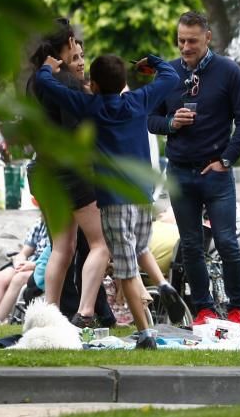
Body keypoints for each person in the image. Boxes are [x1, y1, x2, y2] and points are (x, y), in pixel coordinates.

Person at [35, 51, 178, 348]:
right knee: (138, 251)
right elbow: (171, 76)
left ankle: (145, 333)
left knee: (125, 269)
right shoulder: (139, 101)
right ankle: (160, 288)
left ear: (94, 85)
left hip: (114, 202)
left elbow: (49, 87)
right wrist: (152, 61)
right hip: (142, 199)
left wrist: (47, 69)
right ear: (125, 81)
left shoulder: (90, 106)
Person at [148, 11, 240, 326]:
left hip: (216, 174)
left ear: (208, 37)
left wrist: (225, 160)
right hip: (180, 173)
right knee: (191, 245)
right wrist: (171, 123)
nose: (185, 47)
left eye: (192, 41)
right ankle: (203, 308)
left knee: (225, 241)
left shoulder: (229, 72)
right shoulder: (167, 73)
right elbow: (149, 119)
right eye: (181, 40)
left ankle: (237, 308)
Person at [26, 20, 112, 328]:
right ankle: (85, 312)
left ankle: (49, 314)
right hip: (72, 174)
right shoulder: (67, 83)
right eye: (73, 45)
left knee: (62, 247)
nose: (77, 50)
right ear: (62, 49)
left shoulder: (37, 80)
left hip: (43, 171)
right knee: (102, 243)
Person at [0, 219, 49, 324]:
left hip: (44, 268)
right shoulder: (40, 224)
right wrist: (20, 260)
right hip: (30, 263)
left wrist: (33, 265)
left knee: (18, 278)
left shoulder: (62, 226)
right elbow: (24, 252)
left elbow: (57, 258)